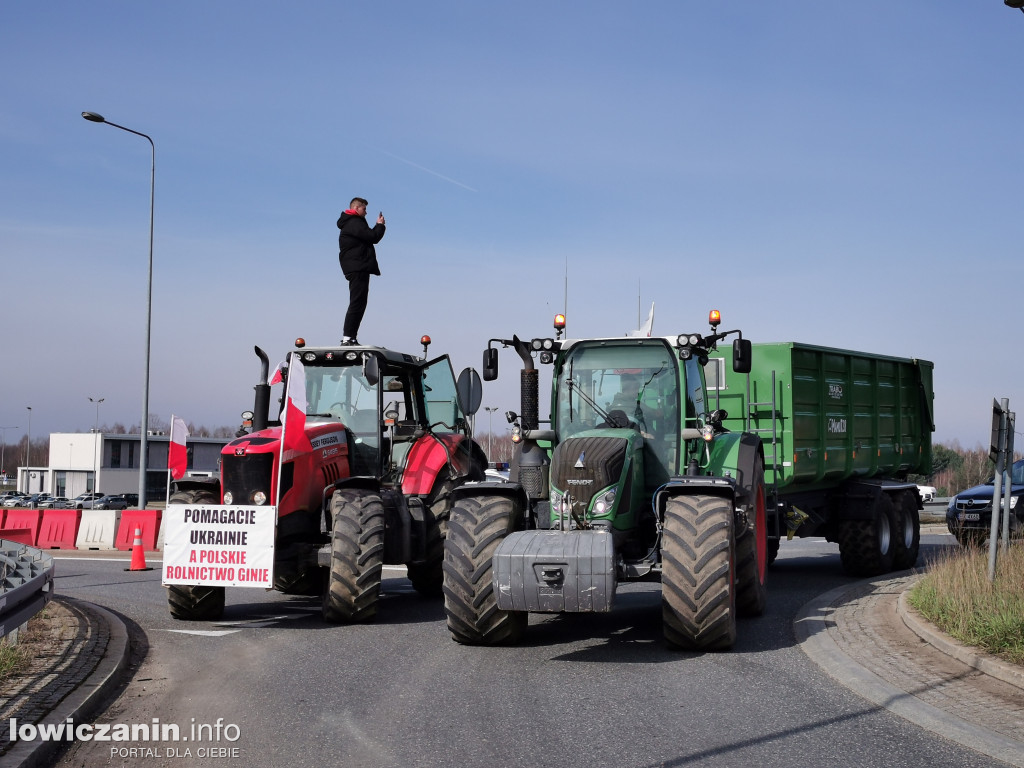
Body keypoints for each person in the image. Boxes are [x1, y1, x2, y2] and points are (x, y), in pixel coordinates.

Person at [337, 197, 386, 345]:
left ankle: (350, 336)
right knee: (357, 302)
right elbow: (373, 237)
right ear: (357, 208)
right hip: (357, 267)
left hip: (357, 267)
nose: (366, 212)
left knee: (359, 302)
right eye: (364, 209)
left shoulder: (351, 222)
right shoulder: (354, 222)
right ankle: (348, 337)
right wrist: (380, 225)